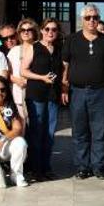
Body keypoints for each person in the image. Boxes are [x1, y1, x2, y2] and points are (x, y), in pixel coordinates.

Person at [61, 4, 104, 180]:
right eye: (88, 18)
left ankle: (98, 166)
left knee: (99, 131)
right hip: (77, 91)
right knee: (79, 131)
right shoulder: (72, 40)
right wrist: (64, 87)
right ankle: (82, 166)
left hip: (101, 92)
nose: (92, 20)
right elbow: (65, 65)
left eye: (95, 17)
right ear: (82, 20)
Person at [21, 18, 63, 181]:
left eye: (53, 29)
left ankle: (46, 167)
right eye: (47, 29)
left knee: (50, 133)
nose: (50, 32)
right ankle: (36, 169)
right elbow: (23, 70)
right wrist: (41, 77)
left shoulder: (59, 49)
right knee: (37, 132)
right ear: (42, 31)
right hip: (36, 94)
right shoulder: (34, 47)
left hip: (52, 95)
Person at [7, 18, 38, 129]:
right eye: (22, 30)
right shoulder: (14, 50)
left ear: (34, 32)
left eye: (29, 29)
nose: (26, 32)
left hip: (36, 95)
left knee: (36, 129)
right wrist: (16, 80)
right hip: (17, 95)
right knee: (20, 128)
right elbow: (7, 73)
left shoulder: (40, 49)